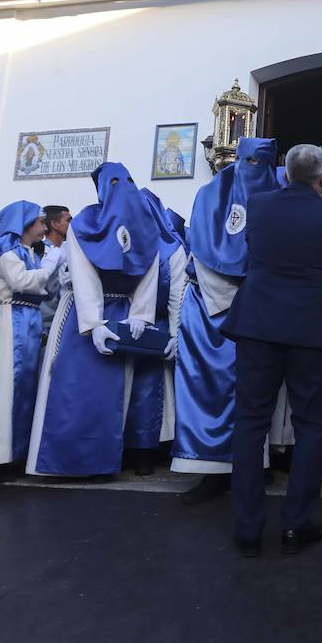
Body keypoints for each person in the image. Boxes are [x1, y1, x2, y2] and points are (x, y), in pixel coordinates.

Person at [223, 144, 322, 557]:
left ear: (285, 173)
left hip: (258, 323)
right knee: (311, 425)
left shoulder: (258, 206)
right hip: (311, 327)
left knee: (249, 422)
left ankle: (247, 530)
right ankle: (297, 524)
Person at [25, 163, 159, 479]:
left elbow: (150, 273)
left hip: (122, 315)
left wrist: (140, 315)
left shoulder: (146, 225)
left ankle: (101, 461)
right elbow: (83, 276)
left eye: (127, 180)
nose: (121, 187)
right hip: (82, 317)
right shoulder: (85, 222)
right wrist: (93, 322)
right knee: (71, 387)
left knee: (112, 395)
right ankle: (63, 460)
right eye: (113, 181)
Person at [171, 138, 283, 503]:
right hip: (209, 312)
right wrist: (230, 304)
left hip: (258, 311)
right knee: (207, 389)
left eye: (259, 162)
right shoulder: (210, 197)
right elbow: (203, 251)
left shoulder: (279, 195)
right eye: (245, 160)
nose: (250, 168)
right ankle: (210, 468)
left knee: (255, 393)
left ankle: (255, 463)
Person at [0, 202, 62, 474]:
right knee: (1, 386)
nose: (44, 228)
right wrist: (49, 265)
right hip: (7, 319)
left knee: (20, 387)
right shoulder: (6, 250)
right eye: (40, 222)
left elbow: (45, 290)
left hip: (25, 320)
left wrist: (54, 272)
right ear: (25, 223)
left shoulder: (26, 252)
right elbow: (22, 282)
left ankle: (14, 452)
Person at [124, 188, 184, 476]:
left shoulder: (171, 248)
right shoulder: (122, 240)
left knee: (149, 391)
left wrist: (175, 334)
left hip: (155, 328)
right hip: (120, 324)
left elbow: (176, 297)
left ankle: (146, 449)